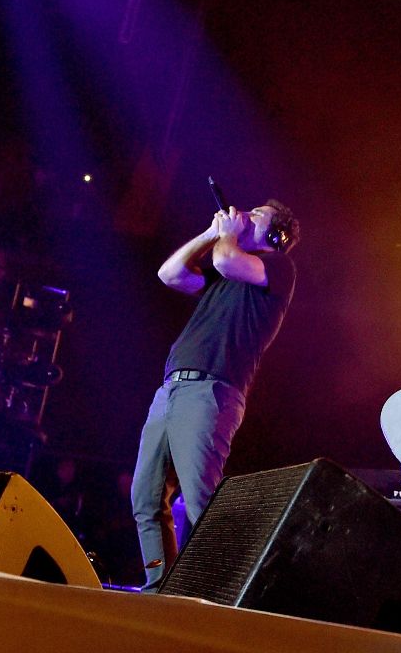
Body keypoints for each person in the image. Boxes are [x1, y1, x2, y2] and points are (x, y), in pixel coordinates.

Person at [130, 200, 298, 591]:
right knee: (146, 496)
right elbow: (169, 274)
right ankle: (160, 590)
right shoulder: (224, 269)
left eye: (258, 215)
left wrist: (226, 236)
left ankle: (220, 592)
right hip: (172, 388)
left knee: (202, 499)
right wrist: (210, 233)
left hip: (212, 389)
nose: (246, 214)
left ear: (277, 234)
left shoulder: (277, 268)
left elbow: (226, 260)